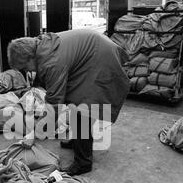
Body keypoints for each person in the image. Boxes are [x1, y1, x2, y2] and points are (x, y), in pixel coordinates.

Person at [7, 29, 129, 175]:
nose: (28, 71)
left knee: (83, 108)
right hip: (94, 54)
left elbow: (54, 103)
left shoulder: (51, 62)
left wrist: (33, 134)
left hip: (101, 60)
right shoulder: (43, 45)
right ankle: (77, 142)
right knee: (74, 99)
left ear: (30, 57)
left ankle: (83, 162)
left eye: (25, 67)